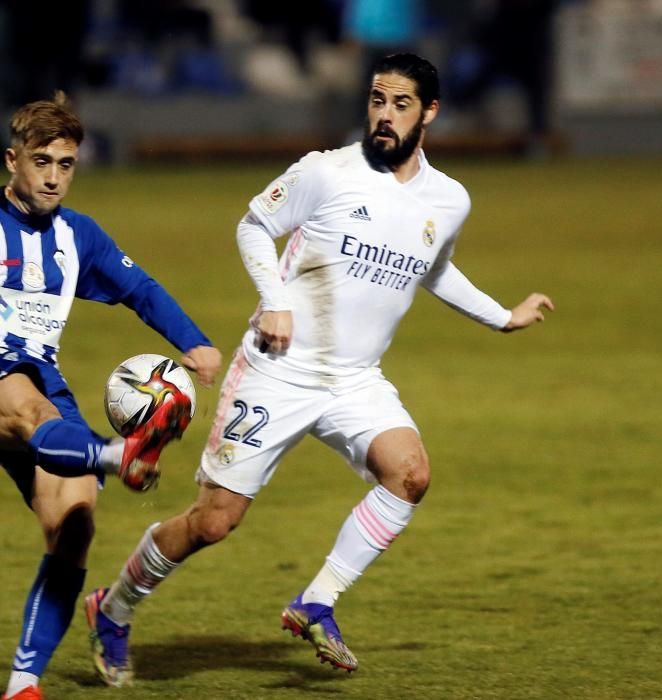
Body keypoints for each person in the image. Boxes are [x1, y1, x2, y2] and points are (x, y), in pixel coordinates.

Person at [83, 53, 554, 686]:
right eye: (377, 100)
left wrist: (501, 316)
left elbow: (433, 266)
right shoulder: (326, 172)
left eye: (401, 105)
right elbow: (254, 226)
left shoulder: (450, 199)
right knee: (214, 522)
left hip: (356, 378)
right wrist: (274, 302)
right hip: (278, 370)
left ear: (430, 113)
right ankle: (113, 608)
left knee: (409, 475)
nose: (384, 116)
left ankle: (316, 602)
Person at [0, 91, 221, 700]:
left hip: (40, 378)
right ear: (12, 160)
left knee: (73, 526)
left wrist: (194, 342)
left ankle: (23, 684)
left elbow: (138, 288)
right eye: (41, 161)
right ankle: (120, 455)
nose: (52, 177)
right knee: (32, 409)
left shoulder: (78, 236)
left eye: (65, 165)